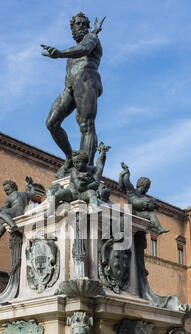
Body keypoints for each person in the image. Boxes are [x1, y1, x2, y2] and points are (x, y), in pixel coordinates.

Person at [41, 12, 104, 176]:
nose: (82, 27)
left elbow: (83, 49)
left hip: (86, 81)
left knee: (86, 125)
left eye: (84, 24)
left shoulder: (92, 39)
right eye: (78, 24)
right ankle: (70, 158)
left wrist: (60, 53)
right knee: (52, 123)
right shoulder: (72, 52)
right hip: (70, 87)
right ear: (72, 29)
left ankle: (86, 168)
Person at [47, 142, 110, 211]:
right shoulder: (74, 171)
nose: (76, 165)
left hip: (82, 195)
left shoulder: (92, 169)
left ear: (85, 161)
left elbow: (100, 165)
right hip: (71, 193)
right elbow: (79, 187)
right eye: (74, 163)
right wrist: (93, 184)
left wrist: (102, 153)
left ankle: (95, 208)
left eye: (78, 162)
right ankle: (51, 210)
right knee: (58, 194)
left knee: (92, 193)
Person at [119, 162, 169, 234]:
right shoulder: (132, 190)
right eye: (147, 187)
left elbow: (153, 206)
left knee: (151, 214)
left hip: (137, 213)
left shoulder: (145, 198)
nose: (147, 189)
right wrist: (126, 171)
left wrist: (154, 205)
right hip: (131, 212)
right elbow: (125, 181)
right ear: (145, 186)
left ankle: (160, 228)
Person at [0, 177, 35, 243]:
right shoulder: (24, 194)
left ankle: (12, 225)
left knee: (2, 213)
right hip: (23, 212)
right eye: (5, 191)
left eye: (7, 190)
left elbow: (4, 208)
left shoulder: (9, 197)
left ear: (13, 188)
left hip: (16, 212)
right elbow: (33, 194)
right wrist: (30, 186)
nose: (6, 192)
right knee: (4, 221)